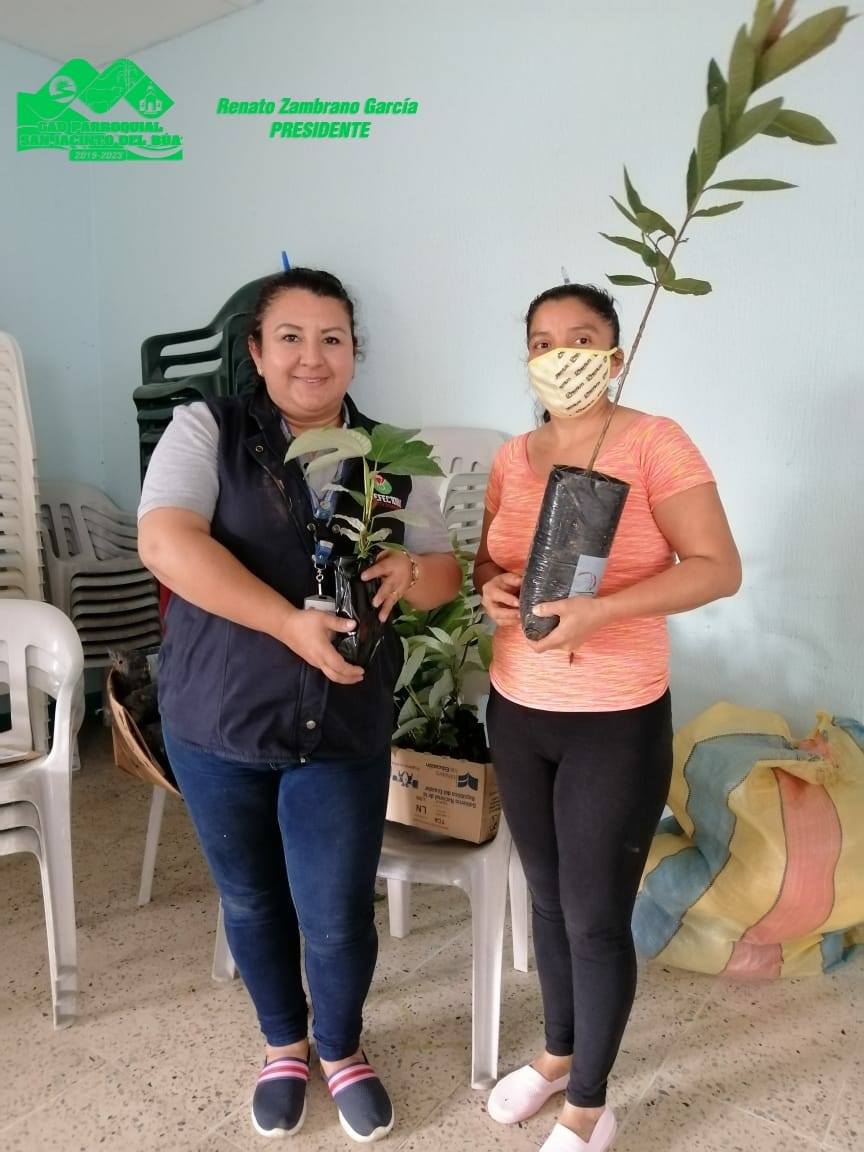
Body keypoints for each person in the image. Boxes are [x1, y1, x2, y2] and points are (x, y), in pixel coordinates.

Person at [137, 267, 461, 1143]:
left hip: (343, 721)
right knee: (250, 901)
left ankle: (342, 1047)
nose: (311, 358)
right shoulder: (209, 429)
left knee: (336, 911)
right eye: (290, 337)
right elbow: (165, 540)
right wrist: (286, 623)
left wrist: (410, 570)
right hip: (221, 718)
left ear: (355, 351)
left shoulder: (390, 456)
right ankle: (284, 1045)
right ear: (256, 350)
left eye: (331, 338)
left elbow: (442, 573)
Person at [474, 284, 741, 1152]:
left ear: (616, 356)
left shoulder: (654, 442)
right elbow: (489, 562)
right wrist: (490, 588)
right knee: (548, 901)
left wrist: (604, 612)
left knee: (593, 916)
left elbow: (717, 566)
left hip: (613, 720)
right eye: (543, 341)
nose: (561, 355)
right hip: (519, 709)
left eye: (581, 338)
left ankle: (589, 1106)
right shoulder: (514, 456)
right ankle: (559, 1054)